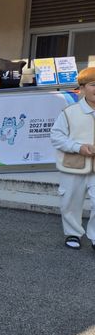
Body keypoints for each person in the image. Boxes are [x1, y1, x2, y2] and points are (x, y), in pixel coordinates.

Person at [50, 67, 95, 250]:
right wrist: (78, 147)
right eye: (93, 85)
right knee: (70, 202)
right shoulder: (70, 112)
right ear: (82, 88)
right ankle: (73, 233)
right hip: (73, 165)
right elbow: (56, 136)